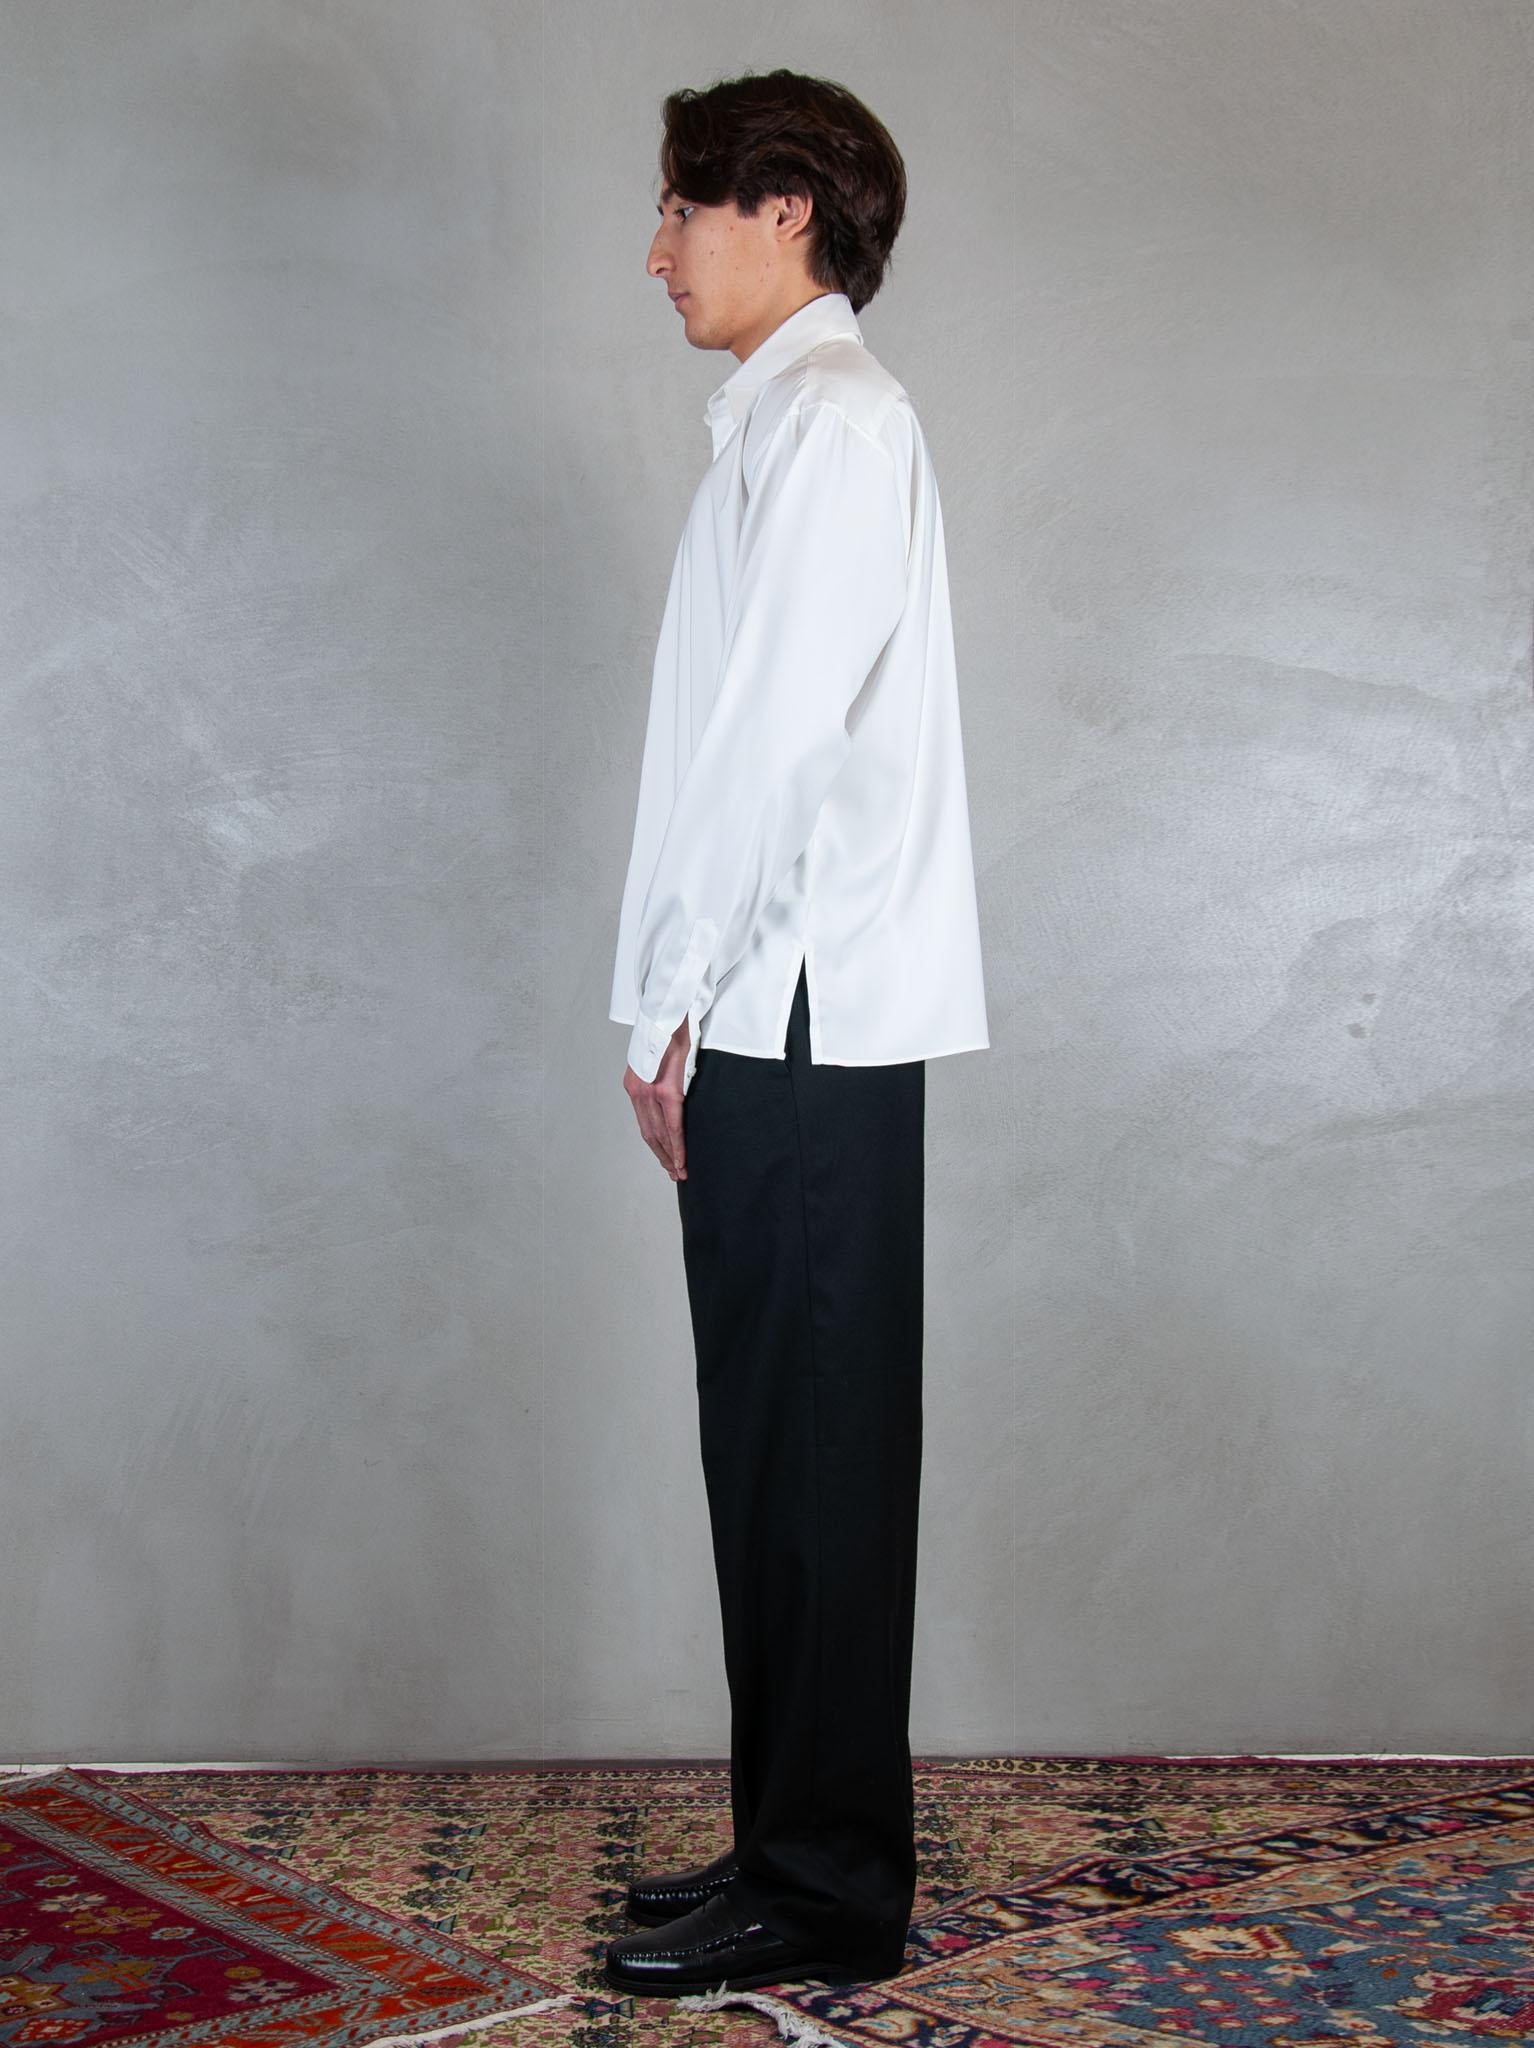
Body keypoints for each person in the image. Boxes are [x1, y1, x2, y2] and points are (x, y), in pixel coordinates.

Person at [604, 67, 989, 1999]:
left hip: (797, 1006)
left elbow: (769, 746)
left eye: (682, 206)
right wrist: (677, 992)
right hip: (769, 998)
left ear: (784, 212)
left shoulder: (834, 423)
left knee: (816, 1446)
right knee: (770, 1435)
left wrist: (670, 999)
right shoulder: (782, 424)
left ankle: (829, 1888)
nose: (655, 249)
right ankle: (785, 1842)